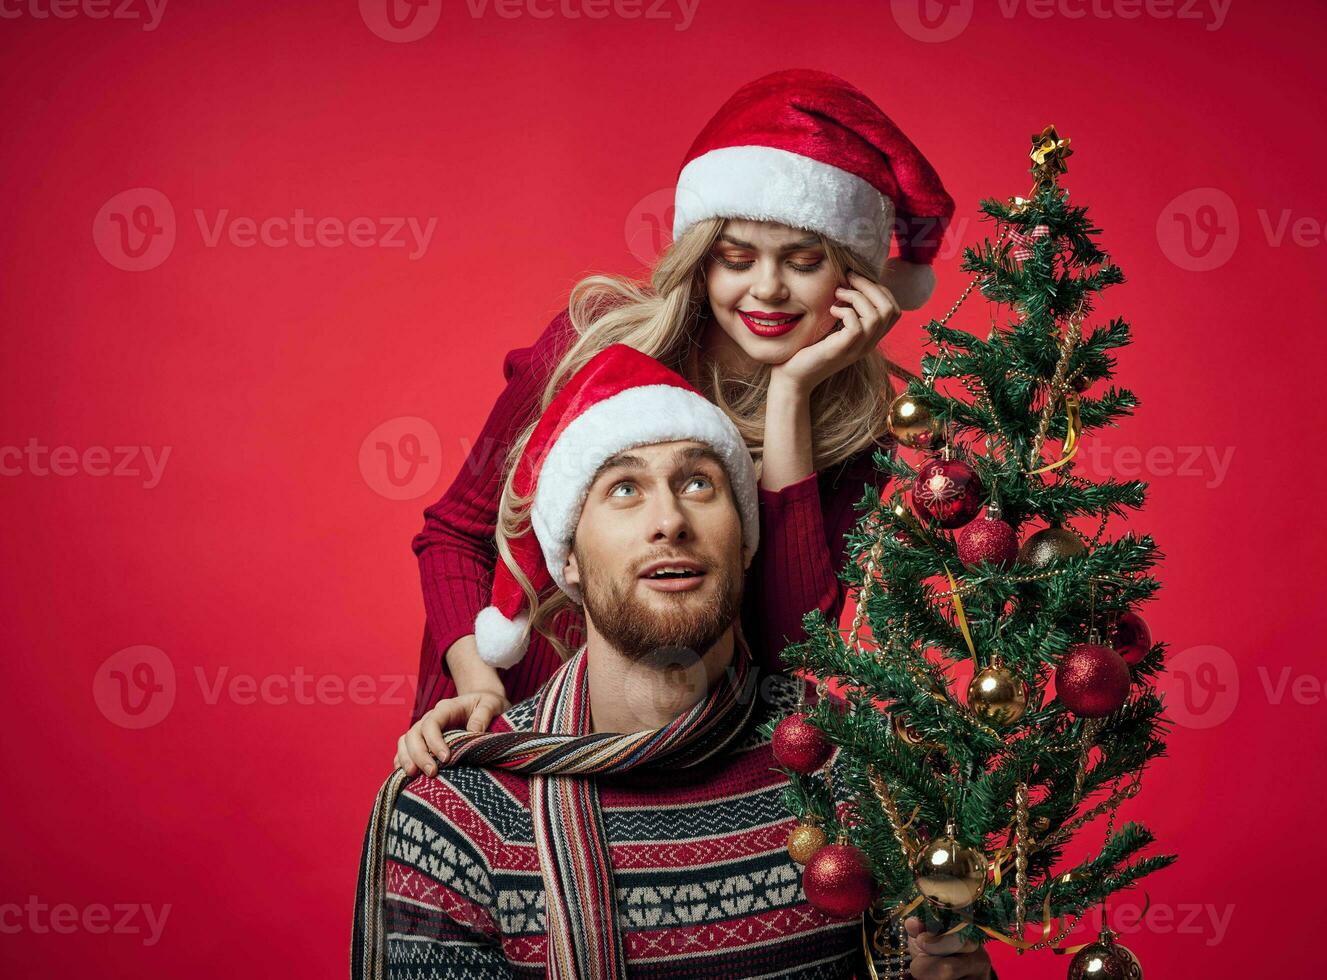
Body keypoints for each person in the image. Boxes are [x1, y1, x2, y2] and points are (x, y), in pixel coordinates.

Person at [354, 345, 995, 979]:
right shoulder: (457, 817)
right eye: (624, 488)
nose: (669, 520)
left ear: (744, 541)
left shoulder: (858, 771)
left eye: (698, 483)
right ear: (567, 558)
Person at [401, 67, 957, 752]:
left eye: (804, 261)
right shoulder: (591, 343)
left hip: (691, 739)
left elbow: (789, 648)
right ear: (703, 261)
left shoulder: (859, 428)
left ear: (852, 274)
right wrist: (479, 682)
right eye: (737, 257)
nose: (768, 289)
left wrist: (792, 393)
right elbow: (455, 533)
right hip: (515, 703)